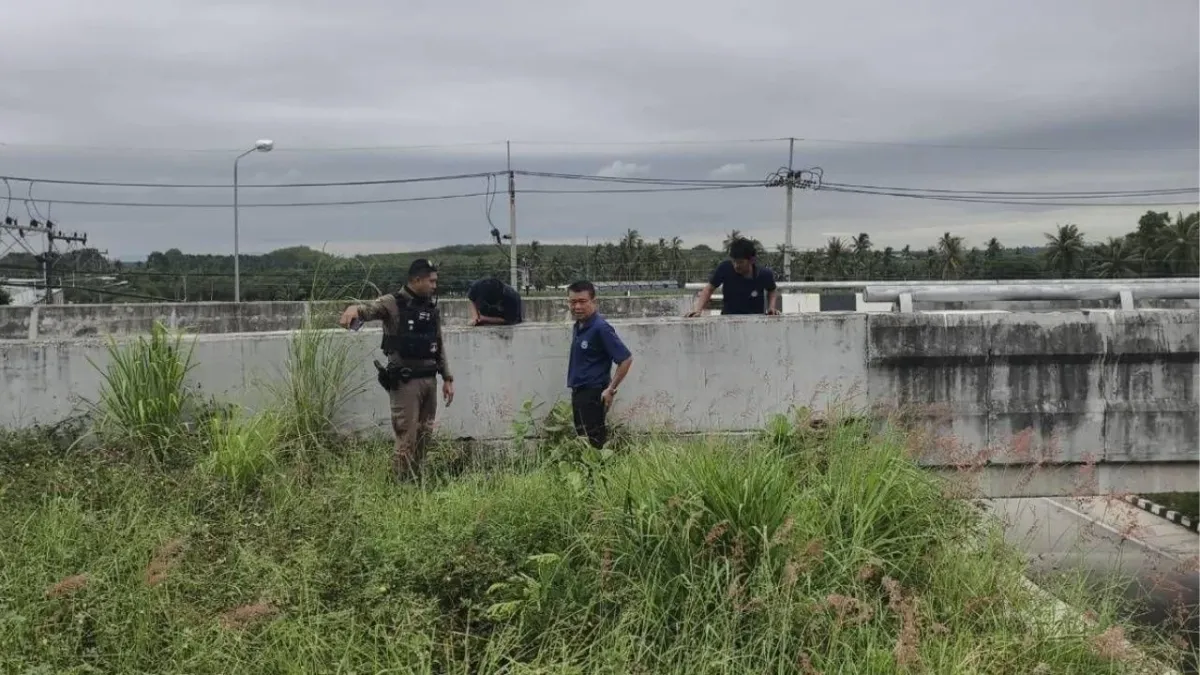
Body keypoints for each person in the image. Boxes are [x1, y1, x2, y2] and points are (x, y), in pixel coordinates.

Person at [338, 258, 454, 481]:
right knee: (406, 438)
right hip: (405, 382)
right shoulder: (393, 303)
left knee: (424, 435)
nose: (434, 286)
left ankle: (417, 481)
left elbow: (438, 343)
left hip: (429, 380)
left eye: (435, 281)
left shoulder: (431, 306)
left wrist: (447, 377)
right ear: (416, 280)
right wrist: (354, 309)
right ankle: (401, 488)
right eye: (431, 281)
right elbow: (368, 310)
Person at [566, 280, 633, 449]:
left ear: (593, 302)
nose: (577, 307)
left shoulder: (600, 328)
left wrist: (610, 389)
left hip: (593, 394)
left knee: (594, 443)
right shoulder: (579, 326)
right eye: (573, 302)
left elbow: (625, 359)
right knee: (584, 441)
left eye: (582, 301)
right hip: (579, 393)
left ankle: (600, 474)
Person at [686, 237, 780, 317]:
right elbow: (709, 289)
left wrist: (771, 308)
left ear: (752, 260)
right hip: (728, 320)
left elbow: (772, 290)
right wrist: (698, 310)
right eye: (734, 261)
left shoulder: (764, 274)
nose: (736, 265)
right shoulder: (724, 268)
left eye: (740, 262)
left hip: (754, 321)